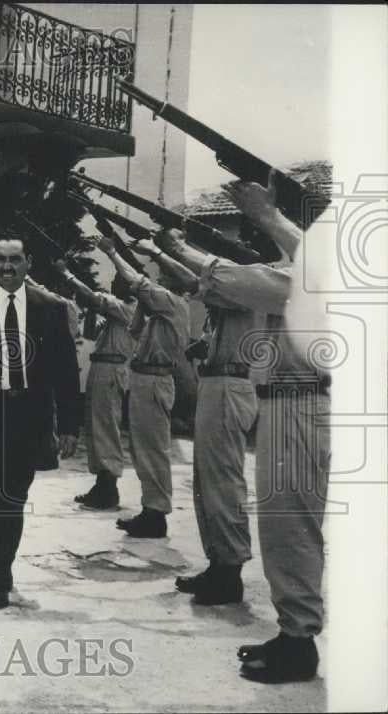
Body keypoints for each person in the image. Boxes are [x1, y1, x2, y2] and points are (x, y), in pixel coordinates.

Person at [156, 173, 330, 684]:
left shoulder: (313, 279)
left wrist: (266, 217)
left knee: (291, 527)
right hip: (286, 402)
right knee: (282, 526)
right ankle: (294, 632)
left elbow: (234, 279)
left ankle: (300, 642)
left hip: (300, 402)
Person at [0, 237, 81, 614]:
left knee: (14, 500)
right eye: (1, 260)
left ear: (27, 263)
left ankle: (1, 573)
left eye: (15, 259)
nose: (7, 267)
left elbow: (67, 373)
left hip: (30, 417)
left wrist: (69, 425)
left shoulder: (51, 309)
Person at [153, 229, 264, 605]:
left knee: (222, 480)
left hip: (231, 385)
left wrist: (162, 250)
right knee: (207, 481)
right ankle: (219, 563)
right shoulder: (237, 292)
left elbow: (189, 279)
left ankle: (229, 570)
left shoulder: (246, 285)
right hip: (219, 383)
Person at [93, 227, 193, 537]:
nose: (159, 277)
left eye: (165, 274)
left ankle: (156, 513)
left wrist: (112, 252)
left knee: (152, 450)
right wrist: (143, 310)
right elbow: (136, 331)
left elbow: (137, 282)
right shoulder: (161, 308)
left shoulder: (173, 302)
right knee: (143, 450)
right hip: (144, 379)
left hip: (153, 380)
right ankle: (151, 509)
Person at [53, 263, 137, 509]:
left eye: (119, 281)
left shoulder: (129, 309)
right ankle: (102, 483)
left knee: (106, 427)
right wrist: (90, 308)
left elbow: (94, 297)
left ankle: (108, 486)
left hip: (112, 369)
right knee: (96, 427)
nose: (113, 285)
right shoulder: (115, 315)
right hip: (101, 368)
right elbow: (90, 333)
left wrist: (68, 274)